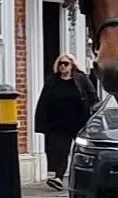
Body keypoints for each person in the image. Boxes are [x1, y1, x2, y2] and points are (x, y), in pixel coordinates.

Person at [34, 54, 97, 190]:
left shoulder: (81, 79)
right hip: (59, 123)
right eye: (61, 63)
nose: (63, 66)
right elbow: (44, 101)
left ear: (72, 65)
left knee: (81, 151)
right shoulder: (52, 81)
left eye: (66, 63)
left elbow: (92, 97)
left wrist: (94, 115)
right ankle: (58, 177)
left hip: (80, 122)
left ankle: (83, 178)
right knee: (60, 151)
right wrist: (42, 122)